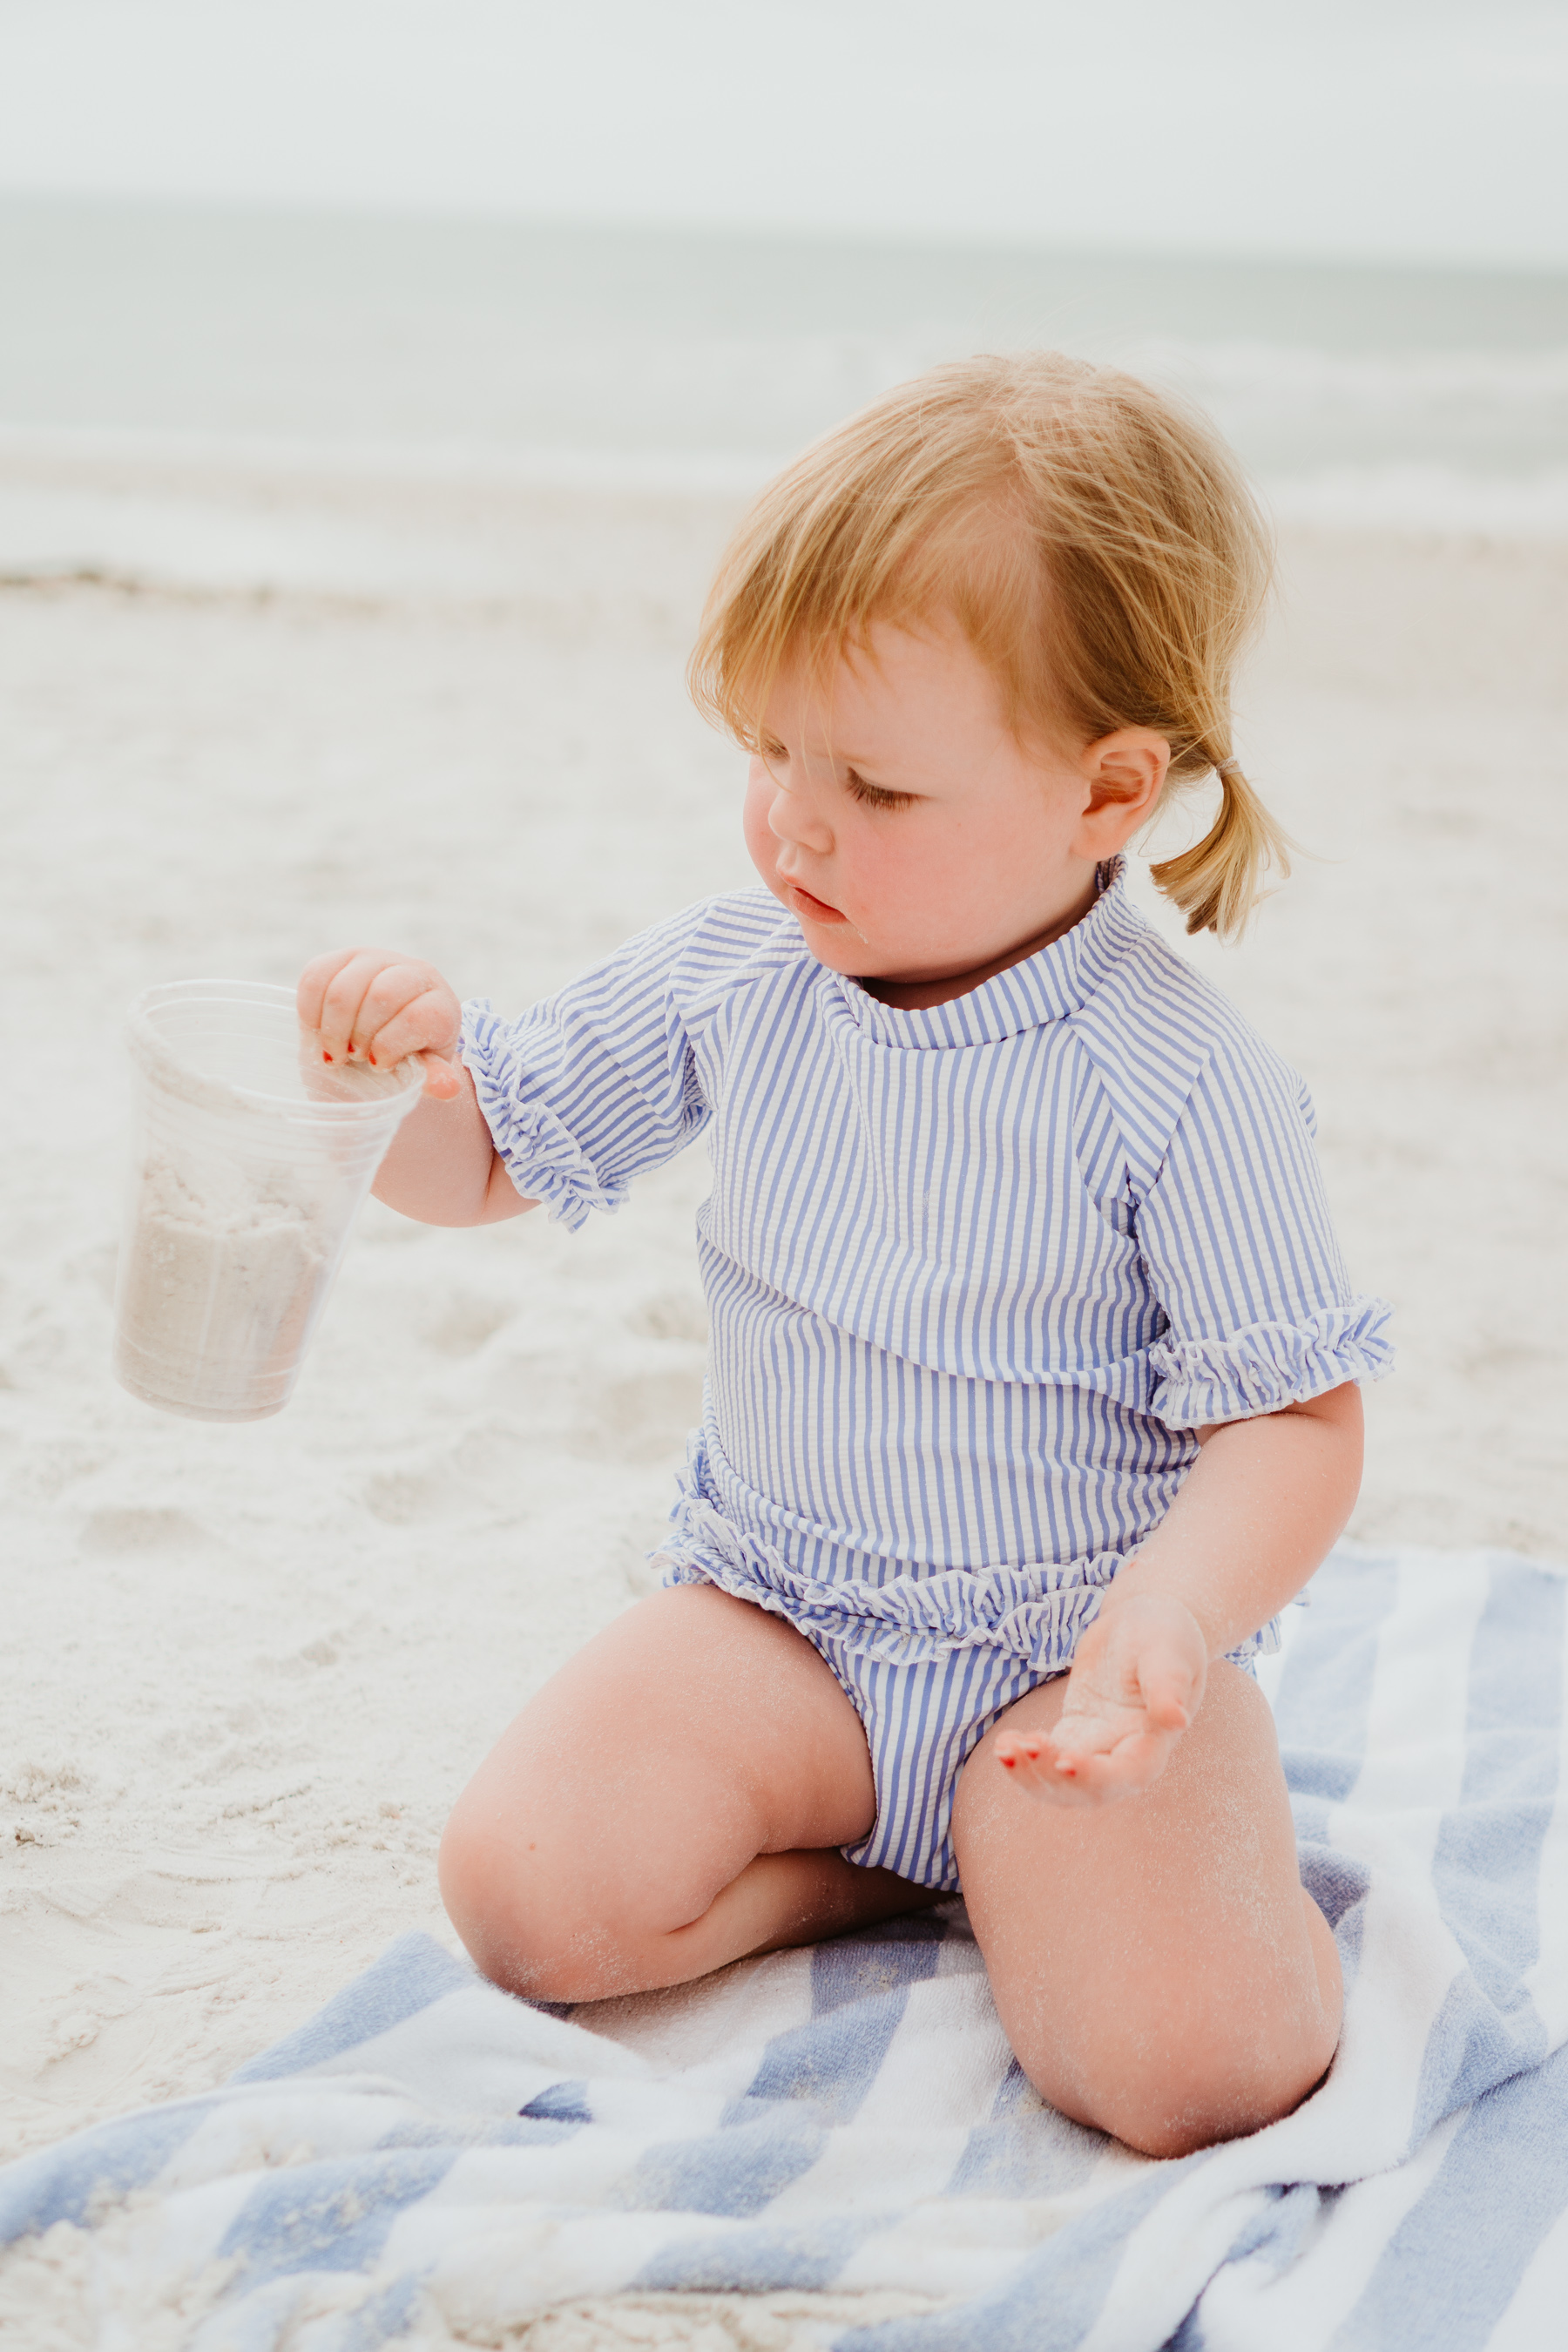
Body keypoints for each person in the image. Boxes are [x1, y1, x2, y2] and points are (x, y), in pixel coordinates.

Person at [297, 354, 1392, 2159]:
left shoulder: (1182, 1084)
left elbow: (1296, 1423)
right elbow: (490, 1153)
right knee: (529, 1895)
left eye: (874, 785)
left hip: (1067, 1667)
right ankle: (885, 1887)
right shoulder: (746, 972)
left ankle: (1081, 1847)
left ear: (1107, 794)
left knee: (1194, 2071)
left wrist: (1172, 1620)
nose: (796, 822)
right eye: (768, 751)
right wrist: (384, 1093)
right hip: (786, 1629)